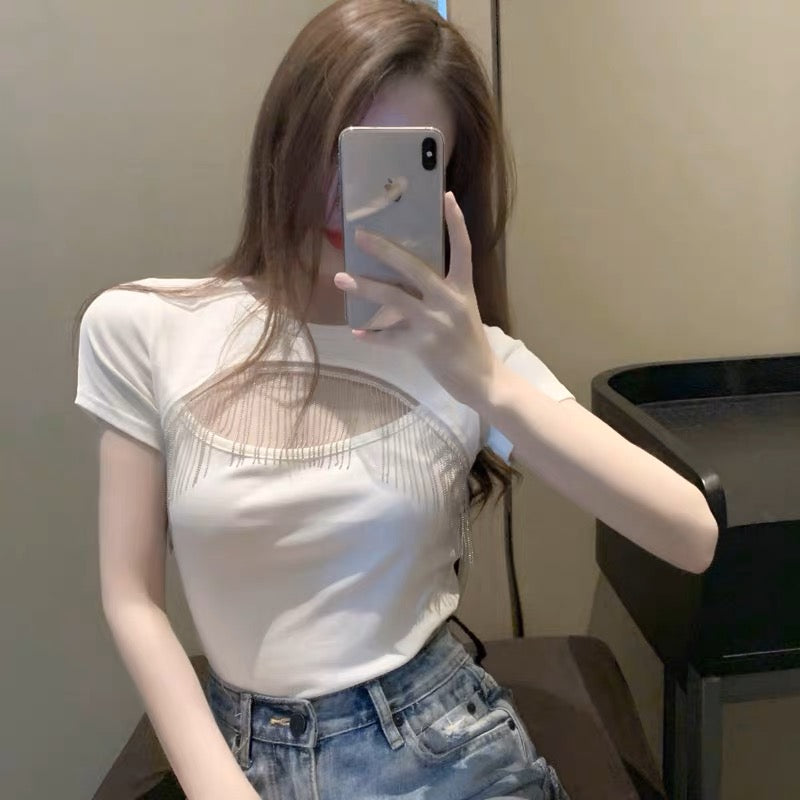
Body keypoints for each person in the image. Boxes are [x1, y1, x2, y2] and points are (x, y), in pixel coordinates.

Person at [74, 1, 719, 798]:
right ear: (284, 141)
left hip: (439, 747)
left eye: (396, 166)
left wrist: (486, 384)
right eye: (338, 150)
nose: (349, 199)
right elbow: (131, 597)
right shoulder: (143, 328)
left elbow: (689, 535)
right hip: (238, 754)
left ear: (444, 188)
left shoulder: (469, 359)